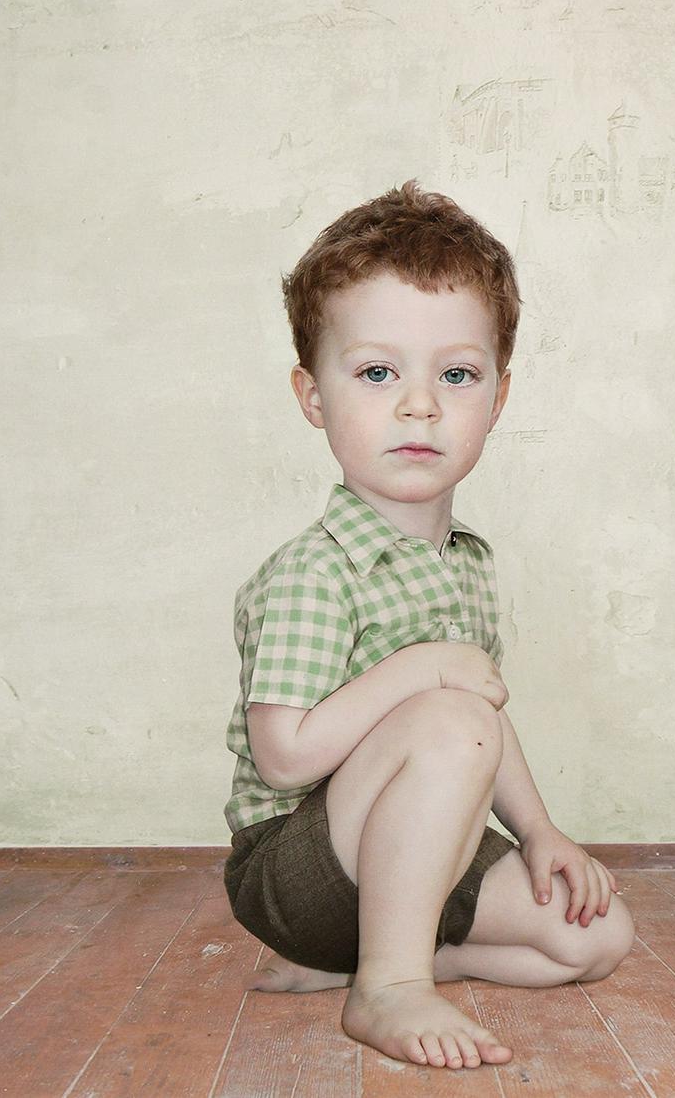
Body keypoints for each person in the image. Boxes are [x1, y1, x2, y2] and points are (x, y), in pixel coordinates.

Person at [223, 179, 634, 1070]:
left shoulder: (467, 564)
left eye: (456, 374)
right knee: (447, 708)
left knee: (595, 938)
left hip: (415, 855)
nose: (420, 405)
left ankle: (375, 959)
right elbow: (283, 758)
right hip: (299, 869)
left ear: (500, 395)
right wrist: (421, 671)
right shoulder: (316, 572)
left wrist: (543, 834)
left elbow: (480, 722)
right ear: (311, 395)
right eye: (378, 372)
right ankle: (388, 987)